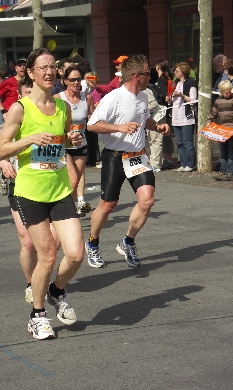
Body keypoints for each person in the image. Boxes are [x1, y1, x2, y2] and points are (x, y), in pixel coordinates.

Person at [0, 48, 84, 340]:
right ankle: (37, 315)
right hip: (31, 193)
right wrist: (30, 138)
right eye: (43, 67)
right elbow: (1, 149)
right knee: (46, 255)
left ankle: (57, 291)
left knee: (75, 253)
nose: (49, 72)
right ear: (31, 73)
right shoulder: (20, 108)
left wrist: (73, 138)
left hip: (58, 190)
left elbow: (62, 142)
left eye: (53, 67)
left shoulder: (63, 108)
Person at [85, 54, 170, 268]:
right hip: (115, 155)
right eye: (146, 72)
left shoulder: (143, 96)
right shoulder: (114, 97)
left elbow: (144, 119)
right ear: (135, 75)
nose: (149, 76)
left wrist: (157, 126)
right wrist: (119, 127)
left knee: (147, 200)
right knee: (108, 205)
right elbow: (92, 125)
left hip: (137, 156)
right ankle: (93, 243)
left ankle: (127, 242)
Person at [0, 81, 61, 304]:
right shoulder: (13, 120)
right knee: (28, 242)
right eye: (28, 94)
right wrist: (3, 165)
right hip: (20, 186)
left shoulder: (51, 115)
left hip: (49, 185)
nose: (33, 99)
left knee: (53, 243)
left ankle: (43, 277)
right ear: (20, 96)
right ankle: (31, 284)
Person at [54, 65, 95, 217]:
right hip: (64, 144)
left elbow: (92, 118)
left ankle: (69, 209)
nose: (77, 82)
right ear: (65, 81)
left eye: (79, 79)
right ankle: (65, 211)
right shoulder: (58, 98)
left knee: (76, 179)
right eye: (73, 80)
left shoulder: (87, 97)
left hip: (81, 143)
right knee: (71, 179)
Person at [207, 80, 233, 180]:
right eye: (226, 92)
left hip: (232, 129)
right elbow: (213, 113)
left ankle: (232, 172)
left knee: (232, 151)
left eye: (229, 92)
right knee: (223, 151)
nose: (228, 94)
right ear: (221, 92)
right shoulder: (218, 101)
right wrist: (209, 120)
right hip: (222, 129)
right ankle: (224, 171)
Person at [167, 62, 197, 172]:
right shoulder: (174, 83)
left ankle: (190, 164)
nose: (175, 72)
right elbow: (171, 101)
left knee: (187, 142)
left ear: (183, 71)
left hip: (187, 116)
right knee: (179, 142)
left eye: (177, 70)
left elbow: (193, 100)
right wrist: (169, 99)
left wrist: (182, 96)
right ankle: (183, 164)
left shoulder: (191, 83)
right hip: (176, 116)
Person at [155, 58, 175, 170]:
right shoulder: (167, 77)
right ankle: (168, 158)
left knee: (165, 135)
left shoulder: (161, 79)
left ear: (158, 66)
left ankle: (168, 159)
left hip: (163, 109)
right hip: (166, 109)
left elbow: (165, 94)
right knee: (166, 135)